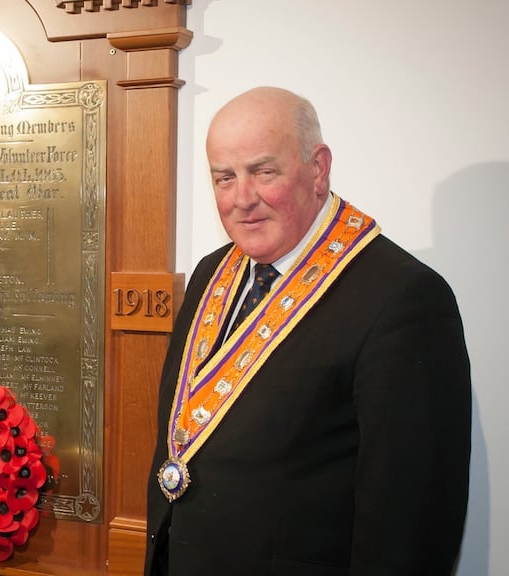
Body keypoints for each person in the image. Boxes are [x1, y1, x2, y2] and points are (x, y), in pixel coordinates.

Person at [145, 87, 471, 575]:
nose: (242, 199)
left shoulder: (402, 297)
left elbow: (411, 526)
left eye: (263, 171)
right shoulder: (211, 273)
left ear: (318, 168)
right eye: (223, 178)